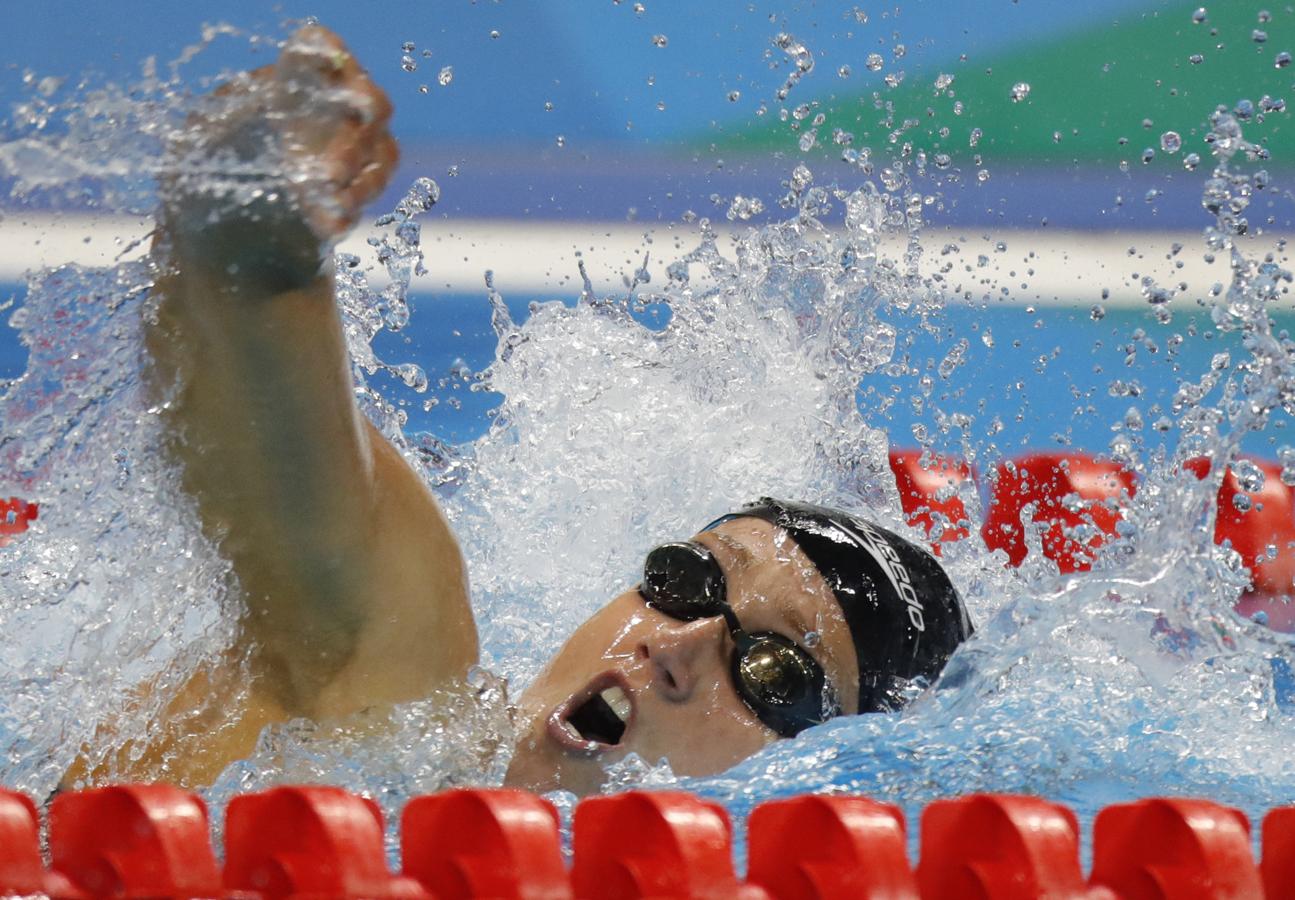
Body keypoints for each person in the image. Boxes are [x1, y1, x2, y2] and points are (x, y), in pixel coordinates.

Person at [67, 26, 972, 797]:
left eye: (775, 674)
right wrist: (255, 224)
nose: (679, 643)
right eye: (685, 578)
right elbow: (251, 343)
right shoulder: (384, 701)